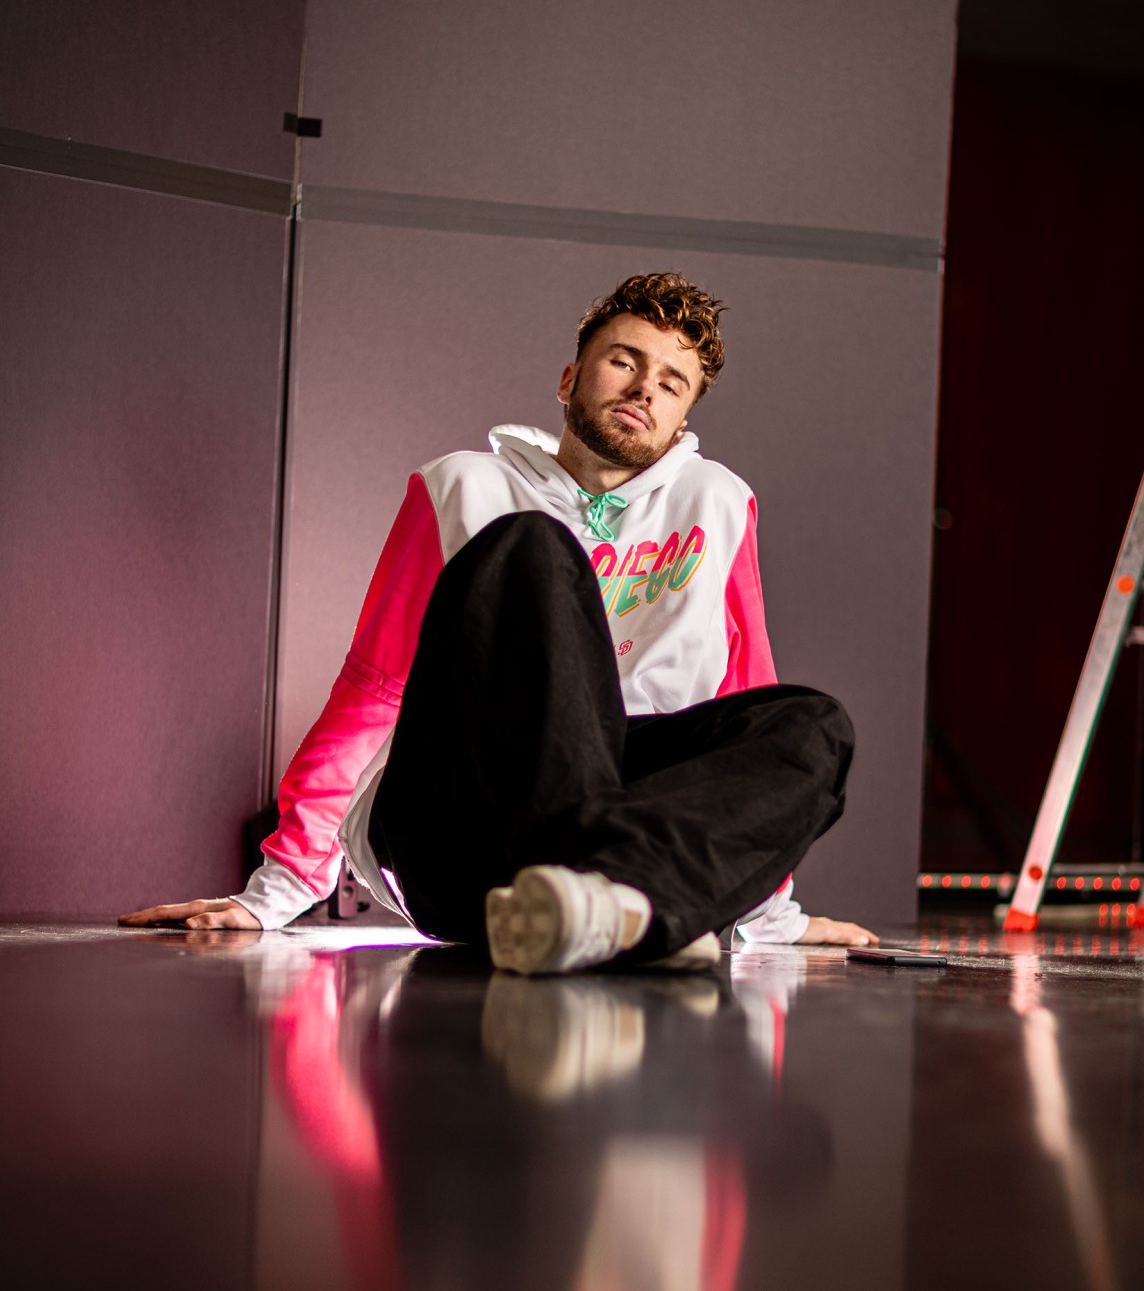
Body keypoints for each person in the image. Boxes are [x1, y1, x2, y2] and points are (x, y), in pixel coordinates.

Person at [120, 273, 878, 972]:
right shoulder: (462, 486)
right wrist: (276, 892)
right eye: (623, 361)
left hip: (619, 820)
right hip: (468, 822)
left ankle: (615, 910)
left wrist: (770, 914)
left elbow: (744, 687)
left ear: (682, 417)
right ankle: (639, 901)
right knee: (532, 548)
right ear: (569, 379)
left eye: (671, 383)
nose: (645, 388)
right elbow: (374, 690)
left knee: (814, 725)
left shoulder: (718, 501)